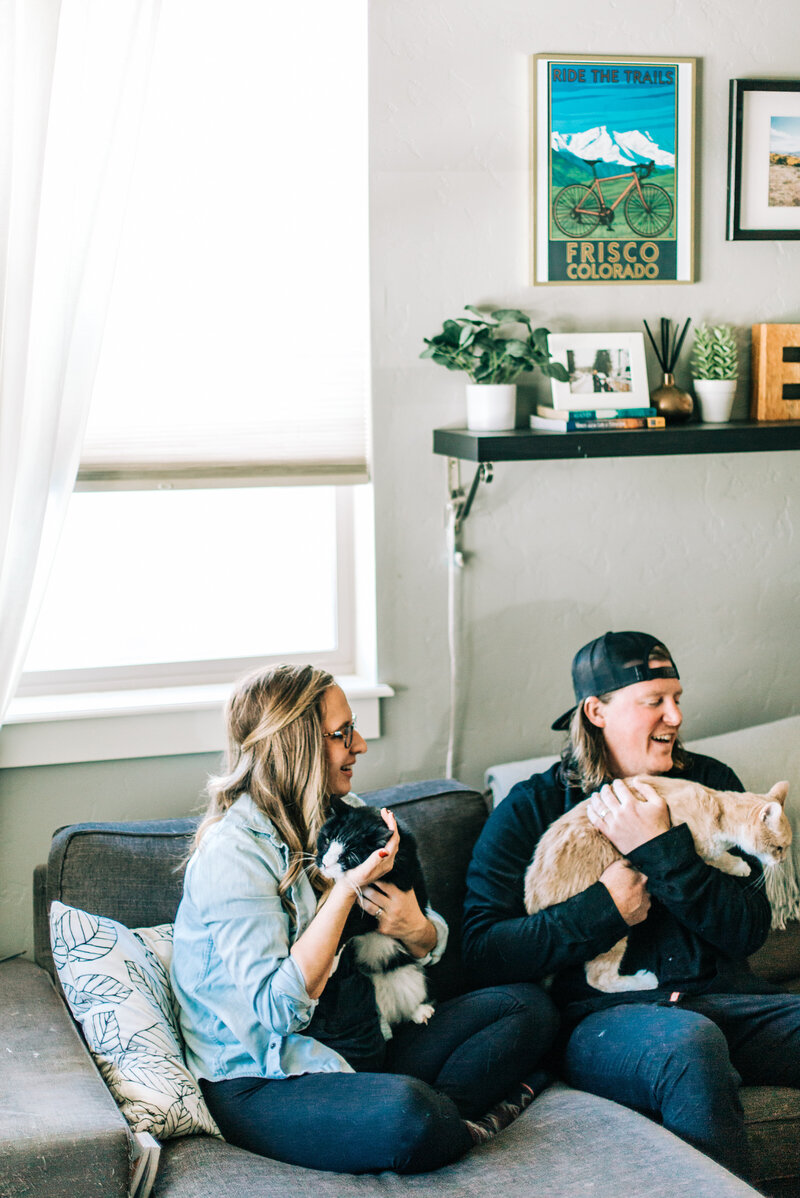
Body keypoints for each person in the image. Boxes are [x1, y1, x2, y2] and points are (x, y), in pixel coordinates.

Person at [171, 663, 558, 1175]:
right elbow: (279, 1010)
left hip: (356, 1042)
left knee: (530, 1008)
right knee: (409, 1118)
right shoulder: (233, 854)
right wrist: (347, 888)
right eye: (342, 734)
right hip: (263, 1075)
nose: (360, 746)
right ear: (296, 745)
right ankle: (437, 1116)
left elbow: (429, 932)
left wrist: (416, 929)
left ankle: (433, 1116)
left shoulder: (341, 808)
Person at [462, 630, 800, 1181]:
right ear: (597, 711)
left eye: (677, 699)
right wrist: (606, 909)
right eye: (654, 702)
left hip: (731, 1001)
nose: (675, 716)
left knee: (707, 1032)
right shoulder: (533, 807)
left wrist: (663, 851)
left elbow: (748, 931)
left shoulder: (712, 783)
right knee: (691, 1044)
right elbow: (482, 954)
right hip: (609, 1022)